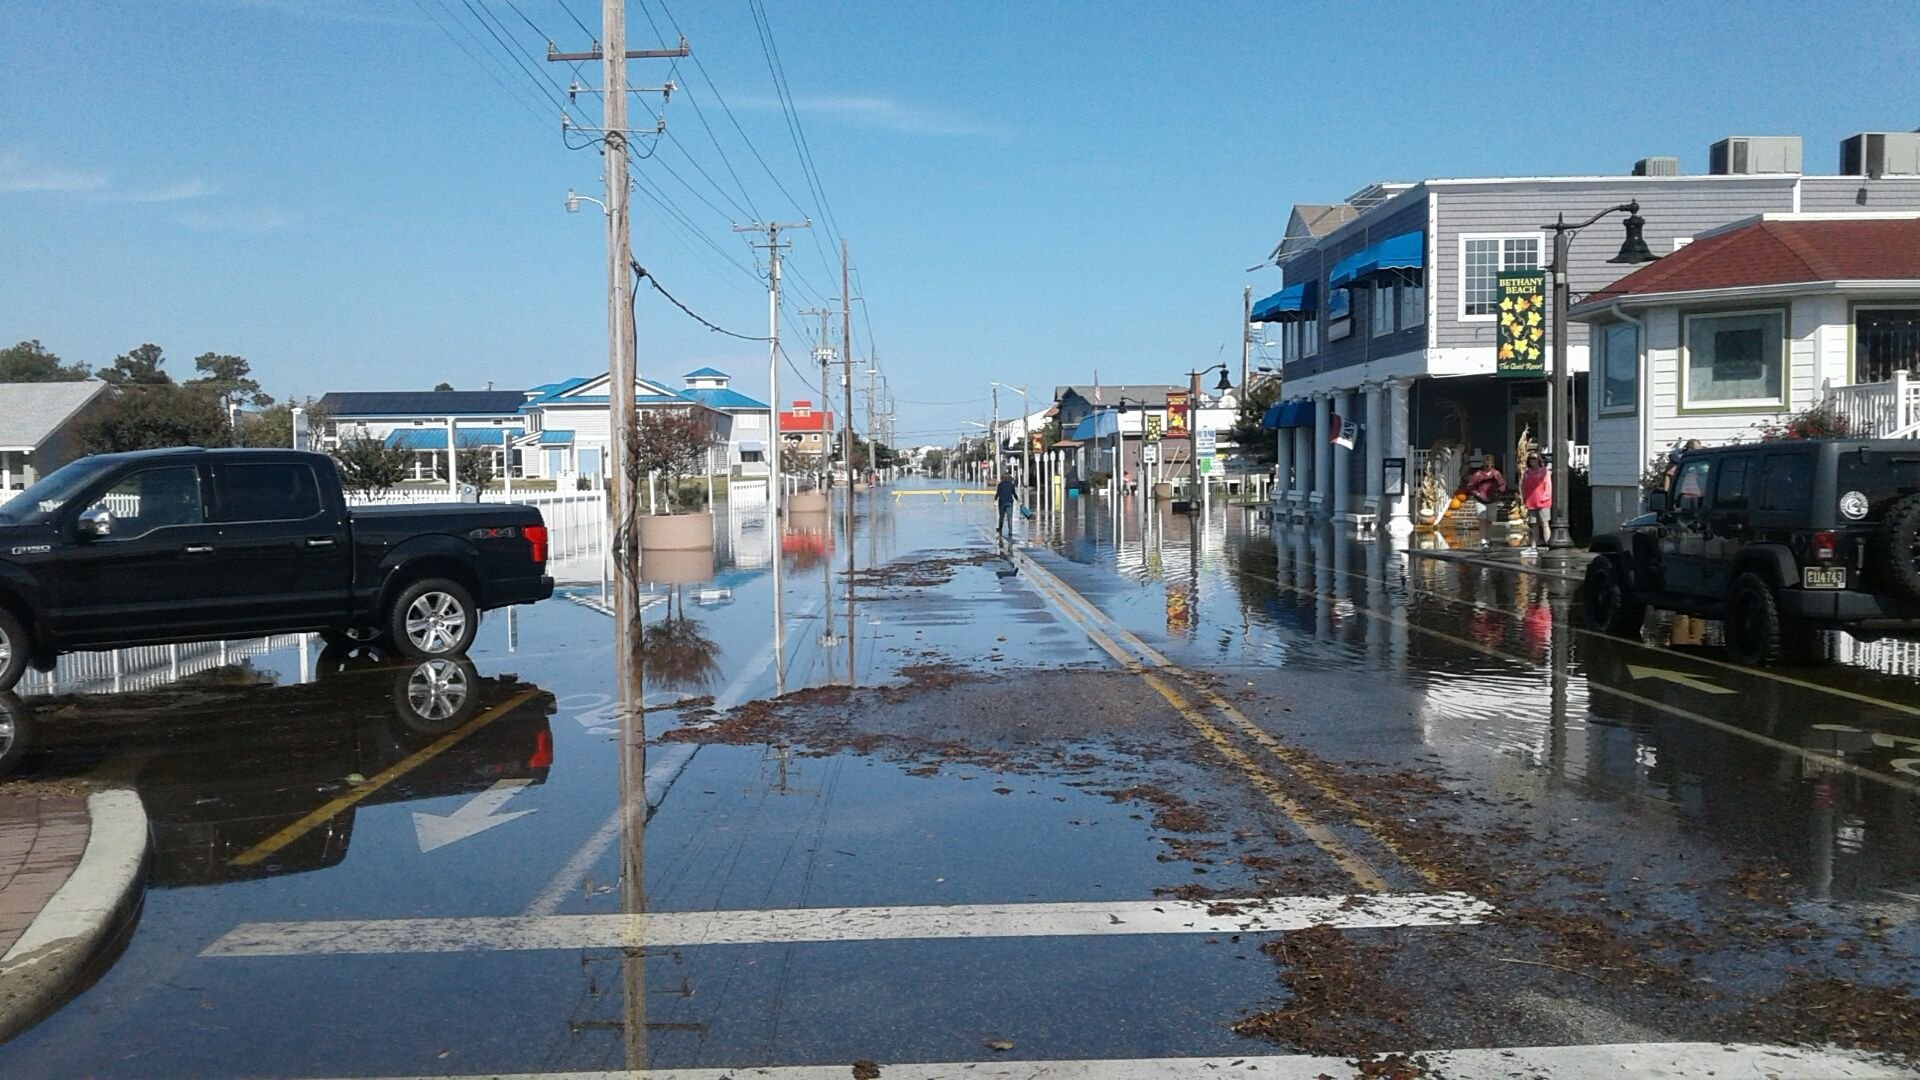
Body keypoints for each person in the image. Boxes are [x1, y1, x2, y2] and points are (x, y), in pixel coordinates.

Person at [1463, 453, 1509, 550]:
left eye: (1490, 465)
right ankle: (1483, 540)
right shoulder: (1478, 474)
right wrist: (1477, 494)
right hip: (1481, 500)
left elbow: (1502, 484)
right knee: (1482, 520)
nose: (1488, 467)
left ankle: (1488, 538)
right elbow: (1470, 486)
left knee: (1490, 520)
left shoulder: (1496, 474)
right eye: (1486, 465)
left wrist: (1499, 492)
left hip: (1492, 499)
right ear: (1483, 464)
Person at [1520, 451, 1551, 554]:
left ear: (1539, 460)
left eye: (1534, 458)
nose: (1532, 461)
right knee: (1534, 525)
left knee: (1544, 523)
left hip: (1543, 501)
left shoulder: (1544, 471)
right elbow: (1523, 486)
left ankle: (1549, 545)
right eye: (1530, 459)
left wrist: (1546, 496)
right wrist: (1524, 498)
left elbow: (1548, 485)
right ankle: (1533, 546)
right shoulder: (1527, 473)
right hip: (1531, 501)